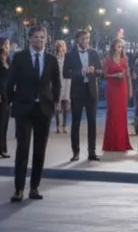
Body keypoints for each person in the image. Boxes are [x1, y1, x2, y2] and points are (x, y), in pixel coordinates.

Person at [7, 25, 61, 202]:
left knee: (40, 150)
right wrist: (13, 101)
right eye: (36, 37)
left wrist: (54, 102)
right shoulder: (20, 57)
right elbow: (10, 82)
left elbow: (56, 84)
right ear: (29, 39)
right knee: (22, 149)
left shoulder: (51, 59)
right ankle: (19, 189)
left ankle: (34, 187)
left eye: (42, 37)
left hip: (43, 109)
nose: (39, 40)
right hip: (24, 108)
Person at [61, 30, 102, 161]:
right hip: (77, 91)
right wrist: (80, 72)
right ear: (78, 39)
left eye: (88, 38)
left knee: (92, 123)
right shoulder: (70, 55)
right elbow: (65, 73)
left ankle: (92, 152)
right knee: (76, 122)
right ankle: (76, 152)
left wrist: (94, 71)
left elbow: (101, 71)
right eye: (83, 38)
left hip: (91, 91)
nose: (86, 41)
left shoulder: (94, 53)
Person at [102, 39, 132, 152]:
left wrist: (130, 89)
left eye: (121, 46)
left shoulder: (125, 59)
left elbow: (128, 74)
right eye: (118, 46)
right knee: (113, 114)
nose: (120, 48)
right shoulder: (108, 59)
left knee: (122, 114)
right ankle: (111, 143)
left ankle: (122, 142)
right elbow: (105, 75)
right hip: (112, 89)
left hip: (122, 88)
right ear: (113, 47)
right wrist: (115, 75)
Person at [0, 37, 12, 160]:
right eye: (6, 44)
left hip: (7, 93)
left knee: (5, 122)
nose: (8, 46)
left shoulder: (8, 59)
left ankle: (3, 149)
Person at [53, 39, 70, 134]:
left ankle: (65, 125)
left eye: (62, 45)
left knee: (66, 106)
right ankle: (58, 126)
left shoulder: (68, 58)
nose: (61, 47)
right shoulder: (54, 59)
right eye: (59, 45)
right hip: (57, 83)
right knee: (57, 106)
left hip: (67, 83)